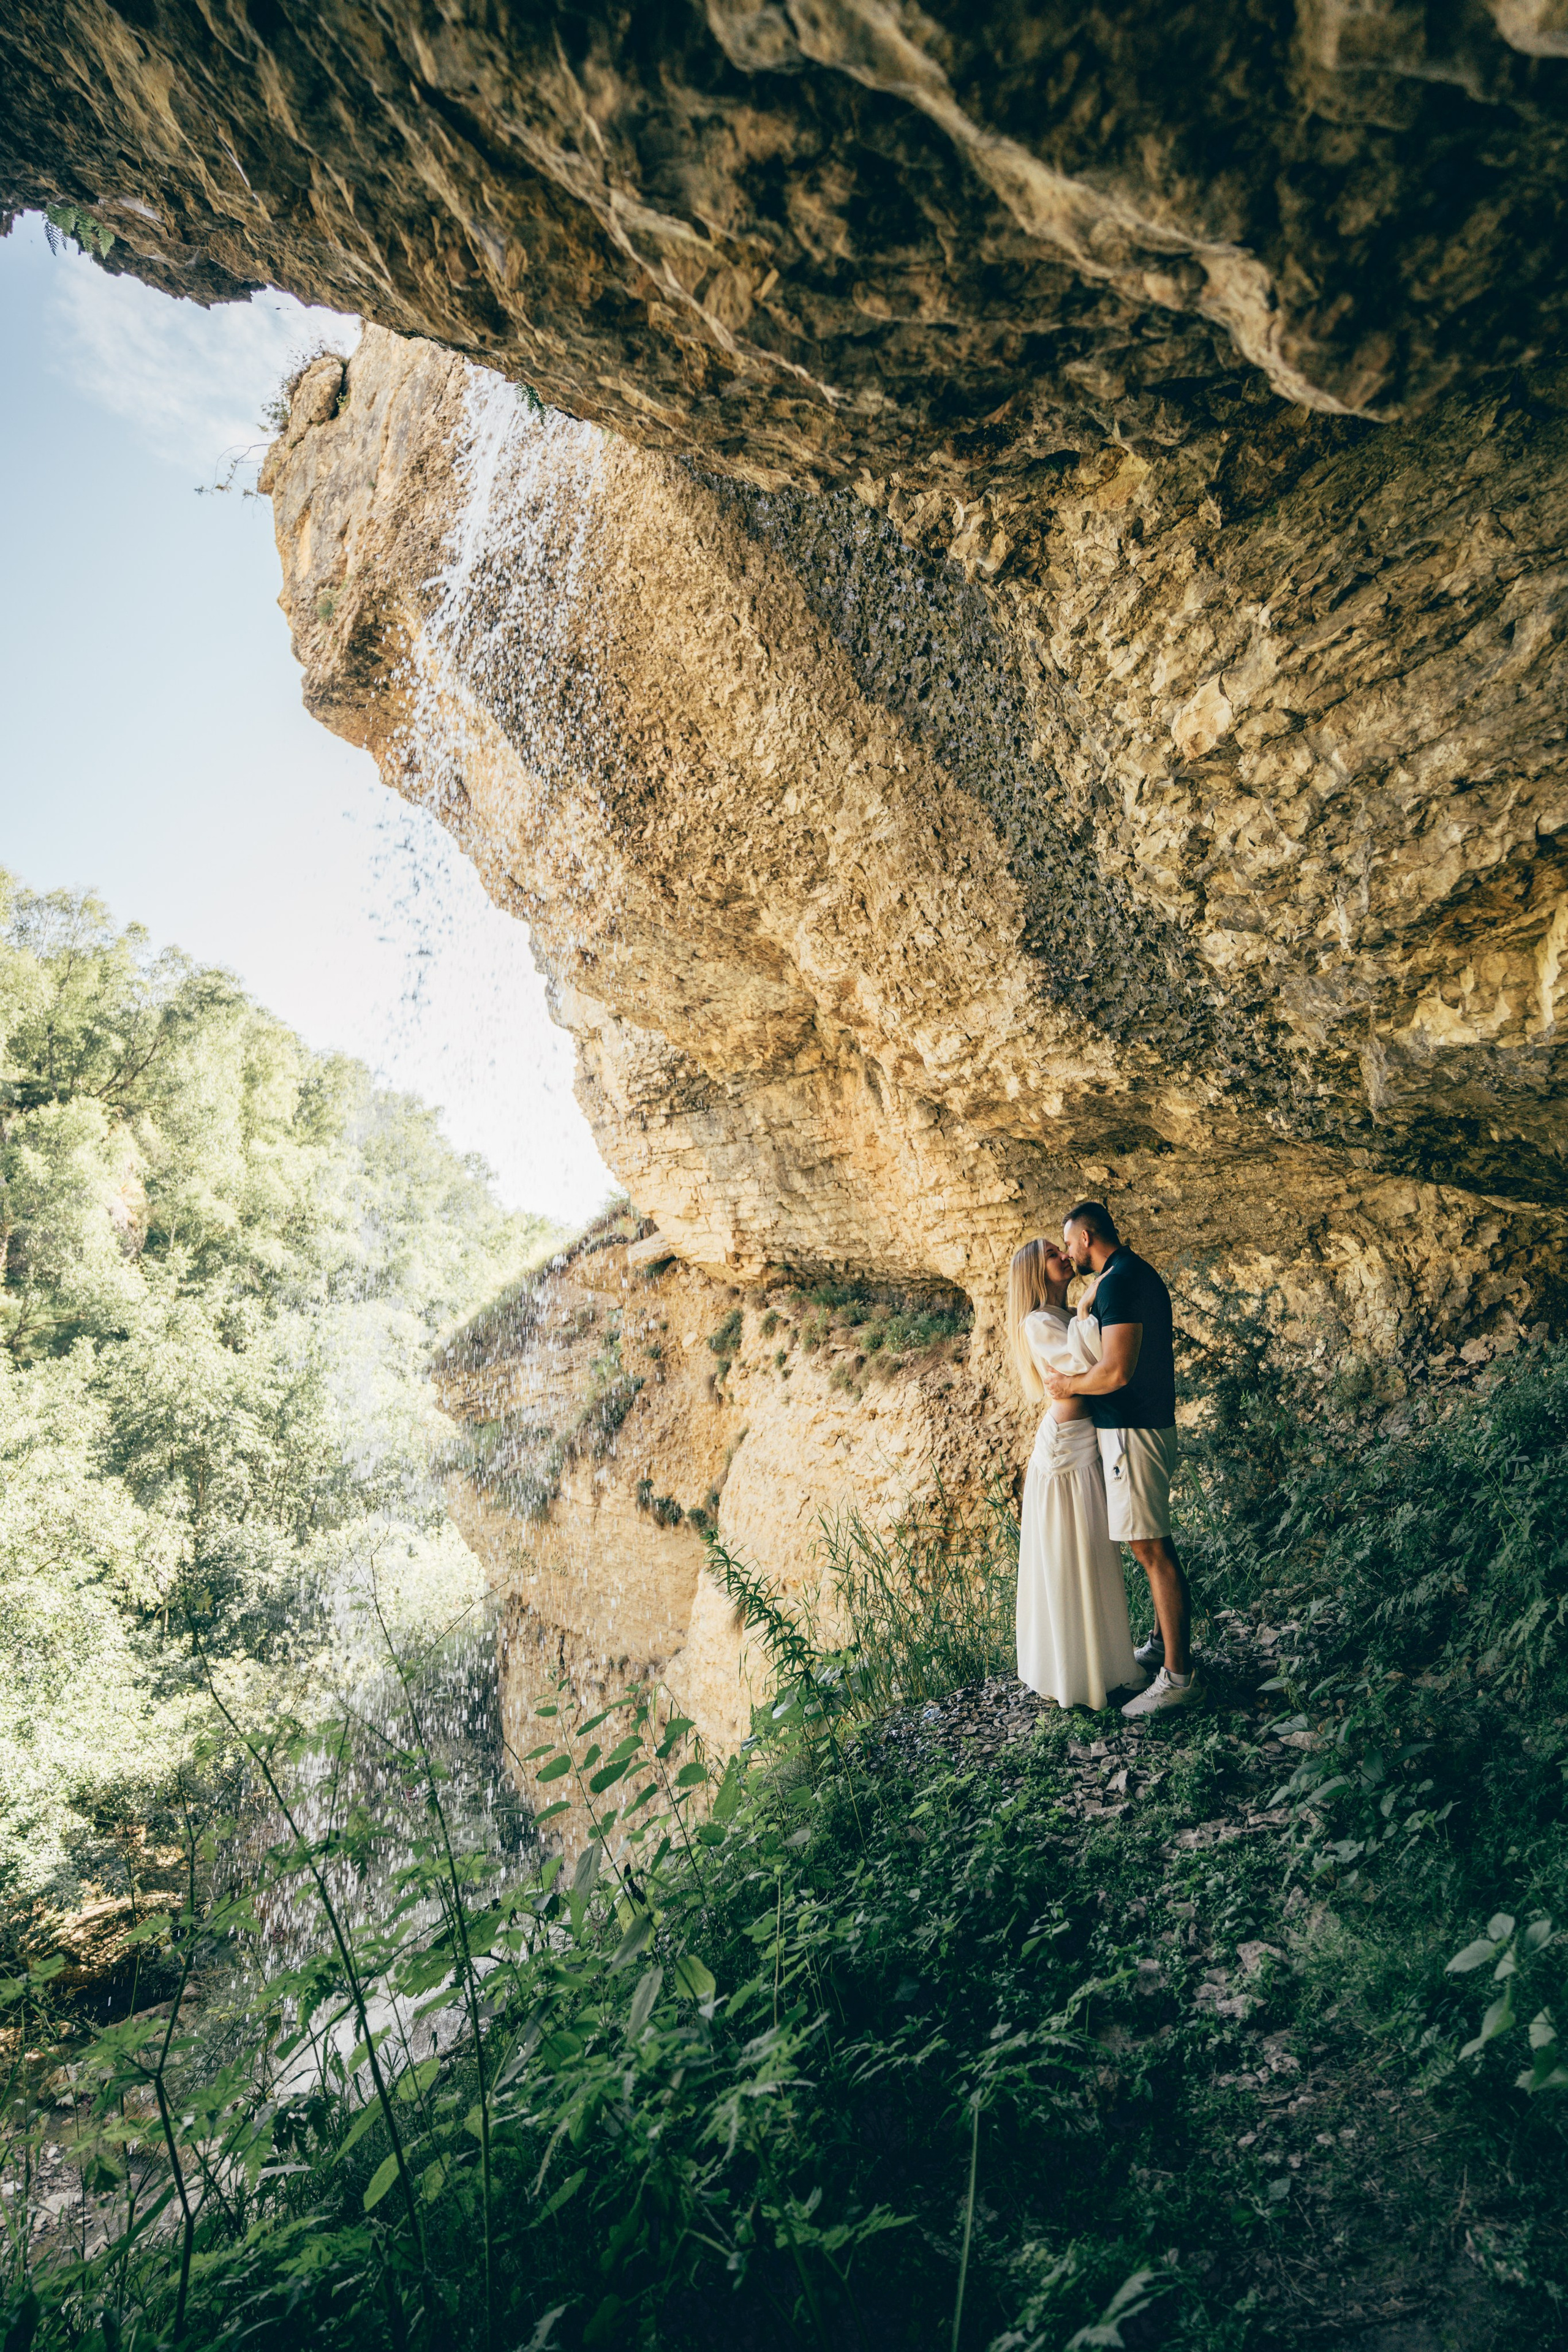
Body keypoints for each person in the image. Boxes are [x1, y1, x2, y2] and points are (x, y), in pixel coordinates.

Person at [1040, 1201, 1200, 1718]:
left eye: (1069, 1242)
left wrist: (1067, 1385)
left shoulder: (1123, 1280)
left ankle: (1178, 1678)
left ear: (1087, 1237)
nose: (1068, 1253)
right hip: (1137, 1429)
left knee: (1150, 1549)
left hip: (1134, 1431)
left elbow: (1116, 1372)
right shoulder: (1120, 1277)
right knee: (1152, 1542)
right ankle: (1160, 1649)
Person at [1008, 1237, 1145, 1710]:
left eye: (1061, 1249)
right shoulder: (1038, 1321)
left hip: (1086, 1440)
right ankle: (1073, 1676)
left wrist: (1083, 1313)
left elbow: (1100, 1367)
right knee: (1072, 1553)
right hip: (1064, 1450)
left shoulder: (1063, 1317)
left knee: (1094, 1553)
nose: (1064, 1256)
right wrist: (1088, 1308)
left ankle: (1104, 1666)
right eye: (1052, 1253)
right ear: (1035, 1270)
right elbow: (1085, 1365)